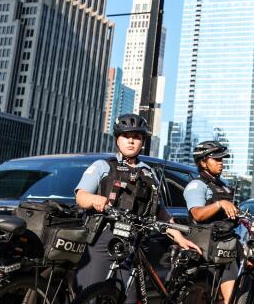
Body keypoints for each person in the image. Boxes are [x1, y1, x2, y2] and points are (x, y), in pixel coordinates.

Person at [74, 114, 200, 292]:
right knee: (89, 298)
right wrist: (95, 199)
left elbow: (161, 213)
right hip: (102, 238)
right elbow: (80, 196)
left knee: (127, 303)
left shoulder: (149, 173)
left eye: (137, 137)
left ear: (142, 142)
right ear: (118, 140)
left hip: (133, 243)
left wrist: (179, 237)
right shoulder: (103, 166)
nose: (131, 141)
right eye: (126, 136)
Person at [183, 141, 240, 304]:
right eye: (215, 159)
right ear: (203, 162)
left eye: (222, 159)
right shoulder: (196, 185)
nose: (221, 162)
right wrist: (219, 205)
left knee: (231, 300)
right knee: (202, 301)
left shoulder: (224, 186)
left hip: (226, 249)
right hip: (205, 250)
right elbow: (197, 214)